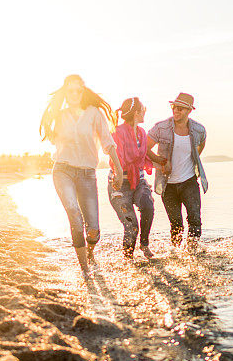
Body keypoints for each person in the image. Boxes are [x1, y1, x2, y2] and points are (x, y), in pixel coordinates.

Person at [40, 75, 123, 279]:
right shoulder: (59, 116)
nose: (74, 94)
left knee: (93, 228)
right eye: (70, 91)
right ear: (65, 93)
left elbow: (107, 141)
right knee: (74, 213)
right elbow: (52, 138)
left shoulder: (94, 113)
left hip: (87, 174)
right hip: (63, 170)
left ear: (83, 92)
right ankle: (85, 269)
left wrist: (119, 169)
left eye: (78, 90)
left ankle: (91, 252)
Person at [108, 97, 167, 260]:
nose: (145, 112)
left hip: (139, 181)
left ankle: (144, 244)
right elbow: (116, 159)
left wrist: (160, 164)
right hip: (119, 184)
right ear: (136, 113)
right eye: (143, 109)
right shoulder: (116, 133)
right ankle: (128, 259)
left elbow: (141, 159)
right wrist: (119, 174)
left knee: (148, 206)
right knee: (131, 225)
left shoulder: (141, 132)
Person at [147, 92, 208, 250]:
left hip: (189, 182)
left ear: (189, 110)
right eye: (174, 107)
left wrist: (192, 160)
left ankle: (192, 253)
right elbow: (144, 148)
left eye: (180, 108)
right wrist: (160, 161)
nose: (176, 111)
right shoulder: (161, 128)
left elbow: (200, 146)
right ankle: (176, 254)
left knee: (195, 219)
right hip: (168, 185)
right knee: (176, 225)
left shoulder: (199, 130)